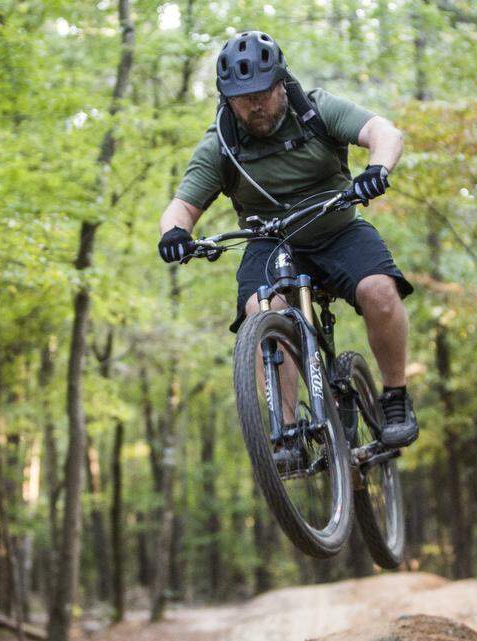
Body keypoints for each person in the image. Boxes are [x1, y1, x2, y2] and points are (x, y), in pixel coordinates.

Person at [156, 30, 418, 453]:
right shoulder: (222, 144)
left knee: (379, 291)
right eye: (243, 98)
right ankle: (288, 430)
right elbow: (181, 207)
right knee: (263, 311)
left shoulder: (314, 110)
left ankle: (395, 398)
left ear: (281, 84)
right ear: (227, 99)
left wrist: (377, 169)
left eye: (262, 92)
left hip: (337, 228)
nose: (255, 104)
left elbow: (384, 132)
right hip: (270, 241)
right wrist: (174, 234)